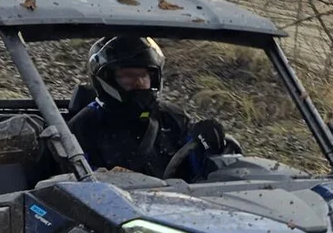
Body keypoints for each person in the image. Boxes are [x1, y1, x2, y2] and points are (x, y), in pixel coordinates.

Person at [66, 35, 232, 179]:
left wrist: (211, 145)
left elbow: (205, 173)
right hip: (115, 211)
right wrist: (104, 176)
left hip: (181, 207)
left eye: (144, 75)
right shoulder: (83, 127)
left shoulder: (172, 118)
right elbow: (73, 181)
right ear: (106, 79)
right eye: (128, 75)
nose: (139, 82)